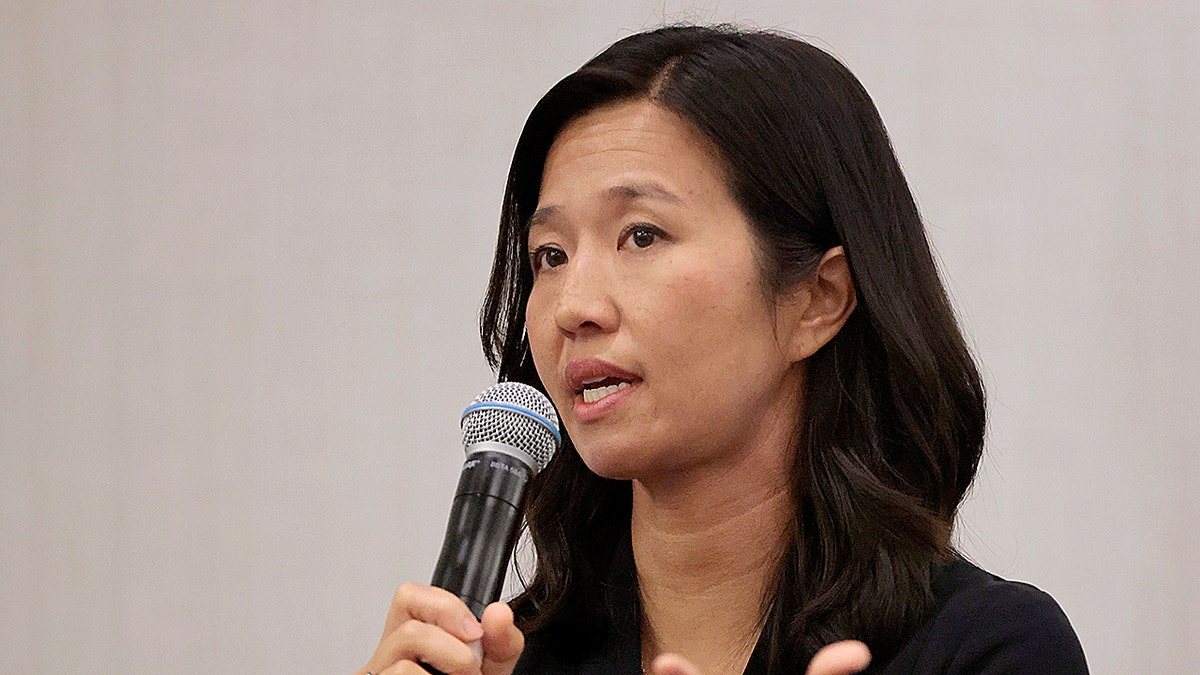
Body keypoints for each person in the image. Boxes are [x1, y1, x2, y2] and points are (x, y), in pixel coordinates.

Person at [358, 24, 1088, 675]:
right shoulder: (505, 661)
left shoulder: (987, 648)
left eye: (641, 236)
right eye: (550, 254)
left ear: (818, 298)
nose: (573, 307)